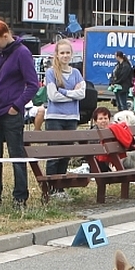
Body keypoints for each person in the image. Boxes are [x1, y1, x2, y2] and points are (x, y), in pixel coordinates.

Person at [0, 17, 37, 208]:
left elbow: (33, 85)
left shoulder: (22, 53)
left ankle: (20, 197)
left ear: (6, 36)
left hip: (10, 112)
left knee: (16, 154)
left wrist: (16, 106)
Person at [41, 38, 86, 181]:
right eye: (62, 53)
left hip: (72, 118)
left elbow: (83, 94)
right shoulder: (51, 72)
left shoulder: (76, 73)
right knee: (54, 154)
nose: (65, 55)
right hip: (55, 118)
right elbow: (53, 96)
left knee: (66, 154)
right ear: (57, 54)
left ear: (72, 54)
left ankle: (61, 187)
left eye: (68, 52)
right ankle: (51, 187)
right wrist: (74, 94)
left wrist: (65, 92)